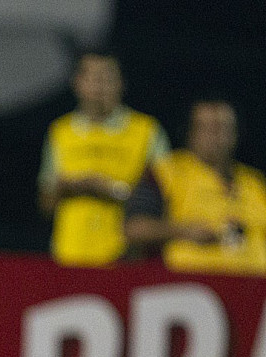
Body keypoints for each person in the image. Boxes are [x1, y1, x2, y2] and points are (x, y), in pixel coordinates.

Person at [38, 51, 169, 266]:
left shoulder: (148, 131)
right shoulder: (60, 132)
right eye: (93, 78)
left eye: (107, 78)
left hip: (127, 257)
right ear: (77, 83)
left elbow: (165, 200)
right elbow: (45, 204)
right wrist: (66, 188)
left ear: (121, 83)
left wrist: (113, 190)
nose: (100, 86)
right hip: (69, 256)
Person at [125, 99, 266, 275]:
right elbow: (134, 227)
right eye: (208, 128)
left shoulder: (255, 183)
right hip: (189, 287)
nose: (216, 136)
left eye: (224, 128)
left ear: (236, 133)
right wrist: (183, 231)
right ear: (191, 132)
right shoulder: (167, 172)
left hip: (253, 287)